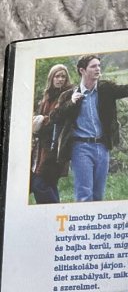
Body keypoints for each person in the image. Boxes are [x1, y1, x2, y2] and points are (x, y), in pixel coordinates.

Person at [54, 54, 128, 202]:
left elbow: (126, 90)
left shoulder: (105, 88)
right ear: (82, 70)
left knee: (98, 195)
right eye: (93, 66)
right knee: (84, 194)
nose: (98, 69)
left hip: (102, 146)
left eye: (99, 66)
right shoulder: (69, 95)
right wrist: (71, 103)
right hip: (80, 147)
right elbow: (55, 117)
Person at [30, 63, 71, 203]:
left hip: (56, 147)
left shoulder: (67, 95)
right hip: (41, 146)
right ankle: (56, 213)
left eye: (63, 77)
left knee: (39, 184)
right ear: (51, 78)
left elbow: (58, 117)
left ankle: (53, 212)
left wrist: (42, 120)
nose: (60, 79)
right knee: (49, 183)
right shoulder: (47, 97)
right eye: (57, 76)